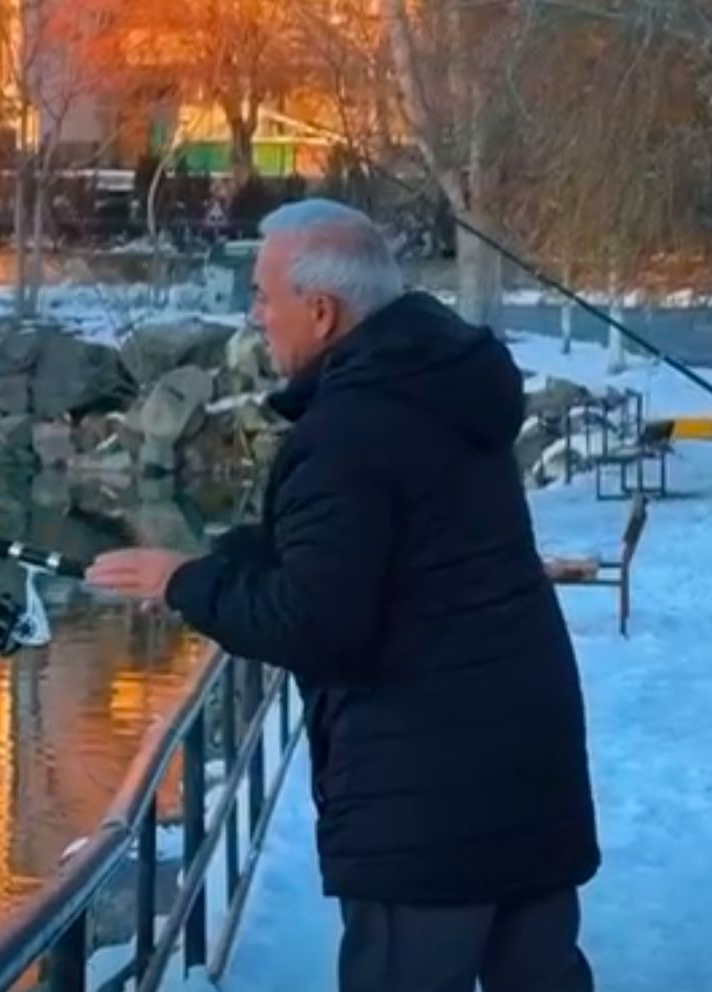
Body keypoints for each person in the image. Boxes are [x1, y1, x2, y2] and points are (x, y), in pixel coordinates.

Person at [85, 198, 600, 992]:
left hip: (425, 801)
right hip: (528, 763)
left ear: (321, 311)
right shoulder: (444, 387)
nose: (254, 315)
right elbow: (375, 551)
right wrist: (212, 570)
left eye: (263, 295)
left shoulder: (349, 430)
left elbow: (316, 624)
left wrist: (182, 582)